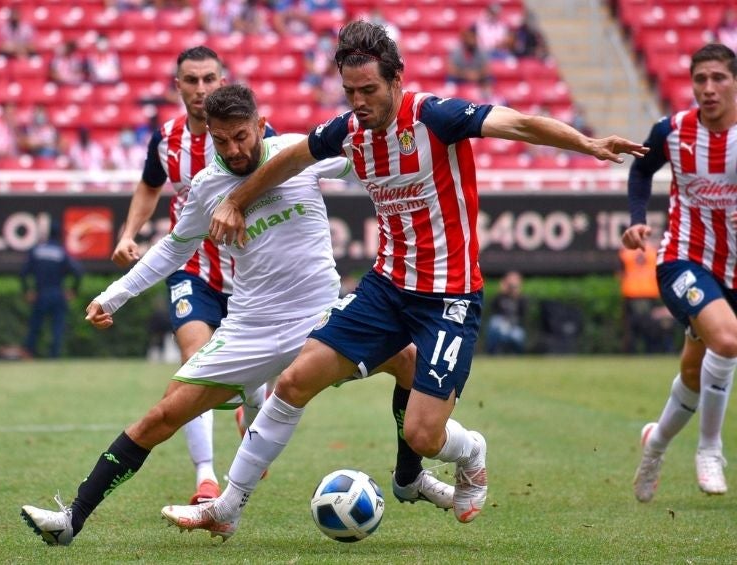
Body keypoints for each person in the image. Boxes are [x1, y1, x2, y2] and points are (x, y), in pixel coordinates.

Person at [164, 20, 646, 538]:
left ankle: (472, 451)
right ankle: (227, 507)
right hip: (388, 288)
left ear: (396, 80)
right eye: (350, 92)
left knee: (422, 433)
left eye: (369, 90)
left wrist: (588, 143)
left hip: (450, 296)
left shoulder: (436, 117)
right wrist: (234, 200)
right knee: (294, 380)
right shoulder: (348, 130)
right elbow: (287, 159)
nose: (359, 101)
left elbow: (522, 124)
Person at [20, 84, 454, 546]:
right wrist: (113, 297)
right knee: (161, 416)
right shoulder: (207, 186)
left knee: (408, 360)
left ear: (261, 127)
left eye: (242, 137)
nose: (233, 150)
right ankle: (71, 520)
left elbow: (364, 157)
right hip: (250, 328)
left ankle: (409, 476)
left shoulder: (296, 153)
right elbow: (173, 248)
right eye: (221, 141)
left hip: (322, 320)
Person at [111, 46, 248, 506]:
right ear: (178, 86)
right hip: (192, 268)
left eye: (210, 79)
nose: (201, 89)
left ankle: (253, 411)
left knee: (262, 384)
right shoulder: (166, 139)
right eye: (191, 80)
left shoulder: (242, 135)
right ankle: (206, 479)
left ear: (223, 81)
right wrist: (130, 232)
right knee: (195, 360)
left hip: (249, 272)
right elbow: (150, 185)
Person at [625, 43, 737, 502]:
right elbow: (641, 169)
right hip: (682, 259)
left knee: (695, 373)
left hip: (730, 271)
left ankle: (655, 444)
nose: (708, 89)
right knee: (728, 341)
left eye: (719, 78)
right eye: (700, 79)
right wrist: (636, 216)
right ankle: (710, 449)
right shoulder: (672, 131)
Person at [20, 222, 84, 358]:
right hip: (57, 293)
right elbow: (78, 272)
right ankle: (53, 357)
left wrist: (27, 290)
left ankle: (29, 354)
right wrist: (73, 290)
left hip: (40, 294)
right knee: (57, 328)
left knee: (35, 327)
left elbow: (23, 272)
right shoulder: (61, 252)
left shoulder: (37, 250)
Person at [617, 242, 674, 354]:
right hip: (650, 292)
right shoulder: (654, 250)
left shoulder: (626, 252)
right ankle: (651, 350)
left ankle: (631, 351)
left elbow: (619, 274)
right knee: (651, 325)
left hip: (631, 292)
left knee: (632, 326)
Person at [485, 270, 528, 355]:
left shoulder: (522, 299)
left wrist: (516, 296)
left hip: (515, 327)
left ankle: (517, 354)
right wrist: (501, 293)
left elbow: (524, 315)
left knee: (518, 335)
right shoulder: (500, 297)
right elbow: (492, 310)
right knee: (495, 323)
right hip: (500, 326)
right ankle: (492, 352)